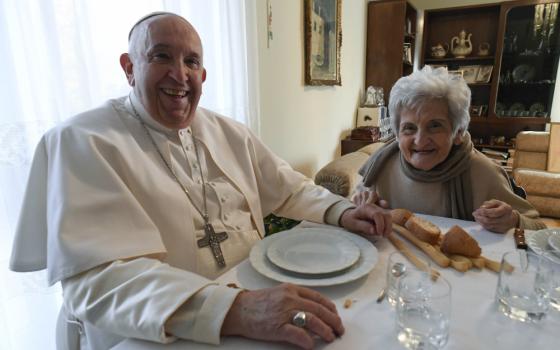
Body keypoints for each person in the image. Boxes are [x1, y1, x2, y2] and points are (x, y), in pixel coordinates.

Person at [9, 12, 391, 350]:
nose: (180, 74)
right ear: (128, 67)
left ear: (203, 75)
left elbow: (288, 185)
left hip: (256, 296)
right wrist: (233, 309)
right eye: (161, 56)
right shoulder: (82, 141)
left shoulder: (228, 131)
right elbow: (96, 280)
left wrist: (341, 211)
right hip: (160, 328)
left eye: (191, 61)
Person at [353, 66, 545, 233]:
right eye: (409, 128)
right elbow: (354, 207)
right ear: (397, 133)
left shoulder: (483, 173)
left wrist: (514, 221)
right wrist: (362, 207)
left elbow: (538, 228)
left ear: (458, 132)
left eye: (435, 126)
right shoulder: (381, 165)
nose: (420, 140)